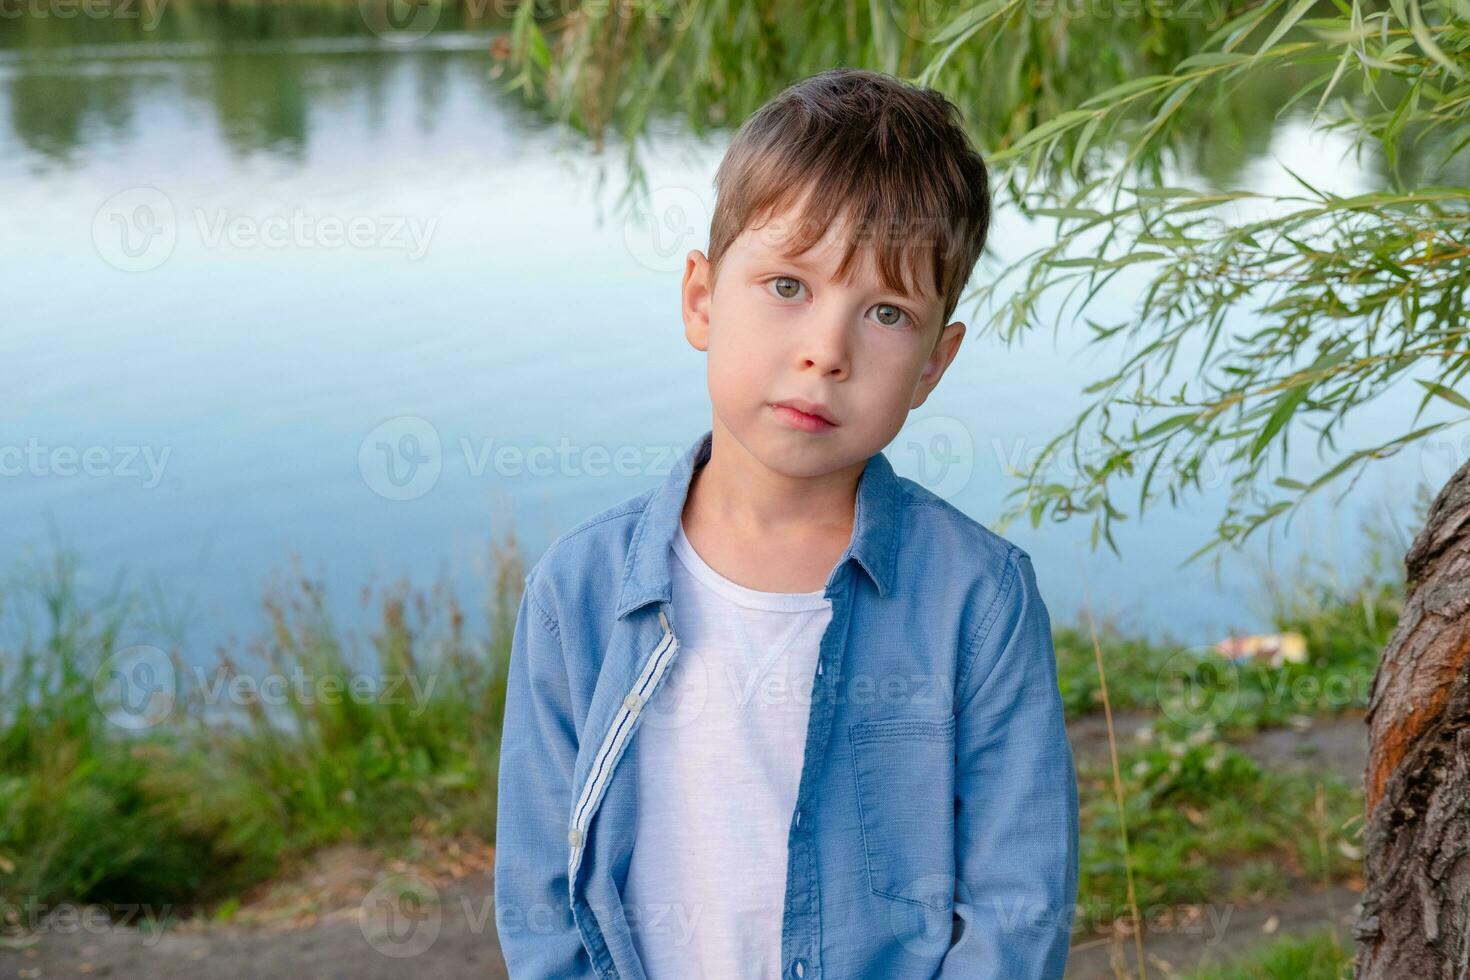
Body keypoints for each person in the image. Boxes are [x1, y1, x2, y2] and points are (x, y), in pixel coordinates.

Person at [494, 65, 1078, 980]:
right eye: (788, 287)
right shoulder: (581, 590)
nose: (826, 352)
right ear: (700, 298)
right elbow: (541, 893)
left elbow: (1018, 903)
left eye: (887, 313)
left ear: (934, 364)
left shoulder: (978, 599)